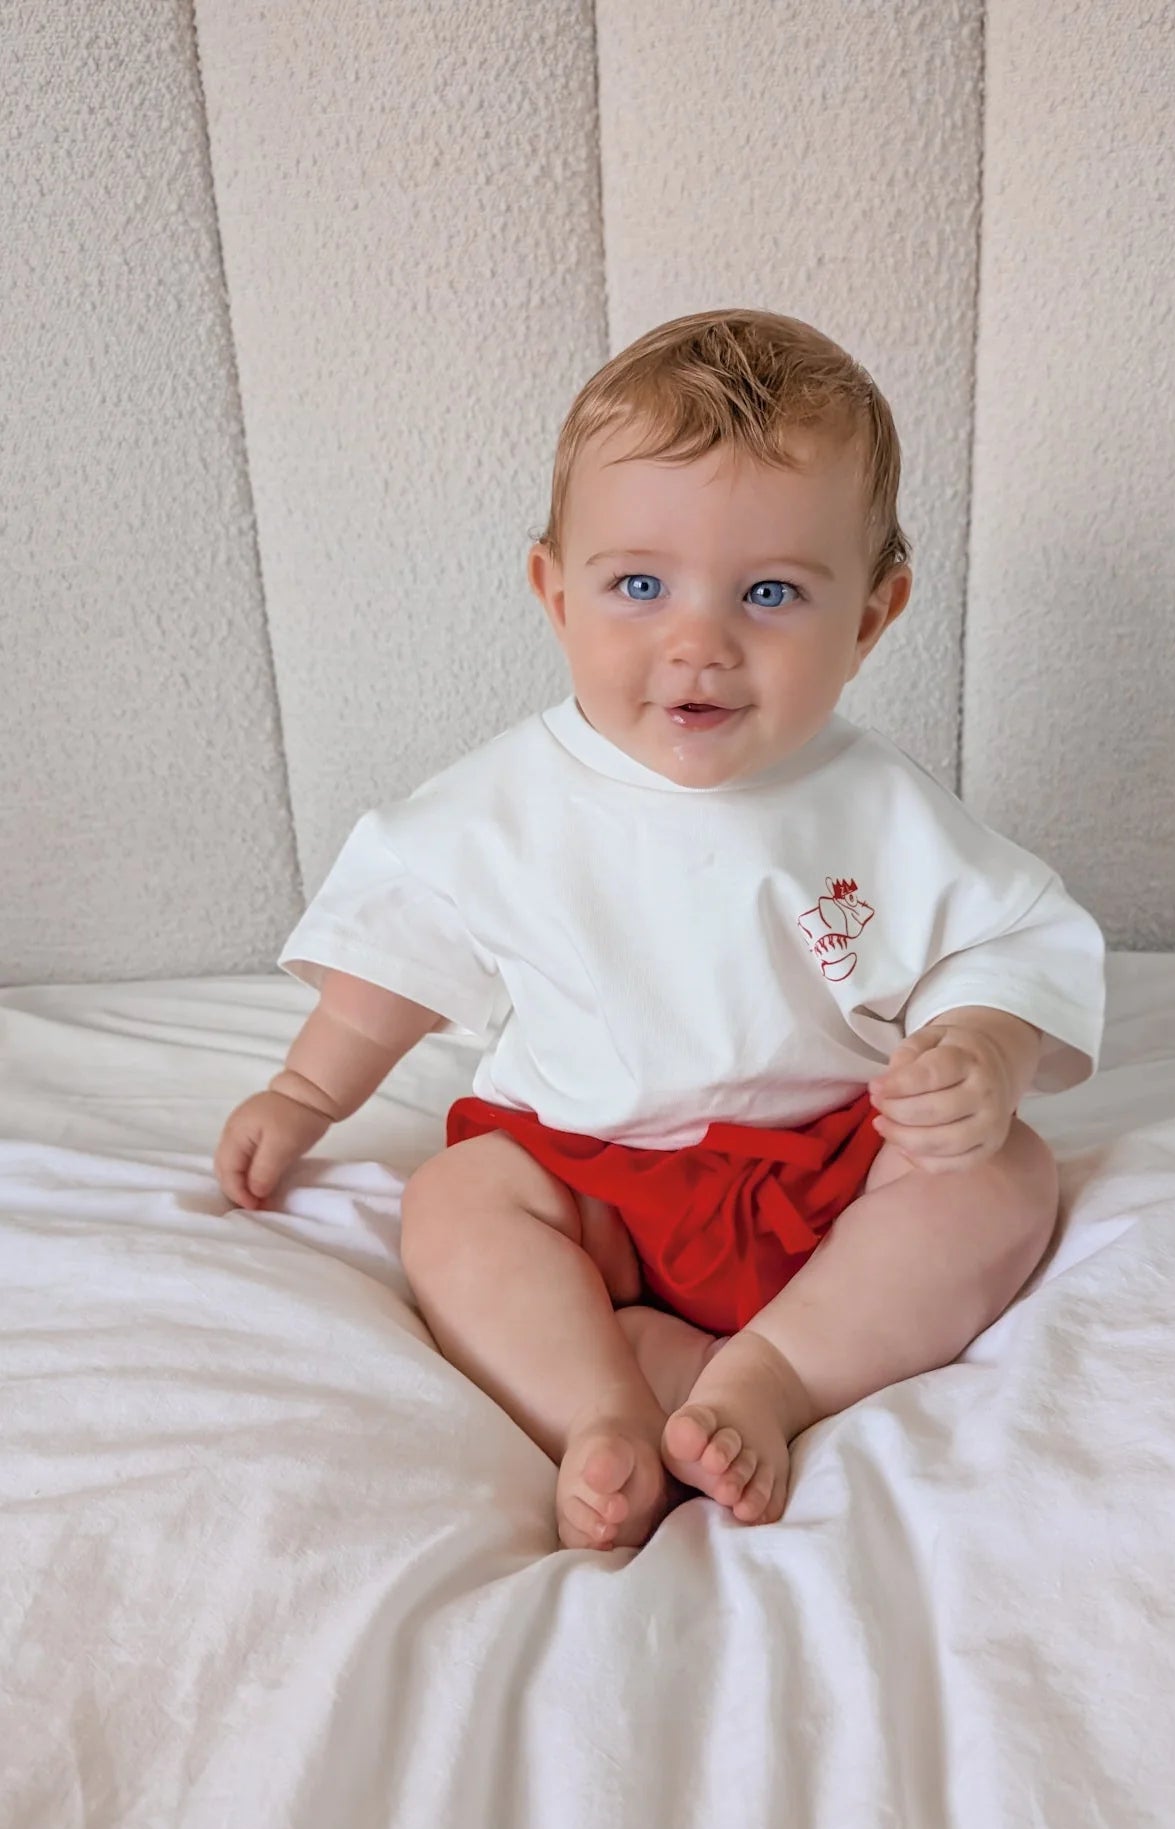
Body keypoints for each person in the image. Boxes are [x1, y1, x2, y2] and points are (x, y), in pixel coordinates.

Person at [214, 308, 1106, 1554]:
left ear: (869, 617)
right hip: (592, 1183)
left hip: (829, 1174)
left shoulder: (878, 805)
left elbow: (1008, 939)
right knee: (457, 1203)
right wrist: (307, 1091)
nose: (699, 643)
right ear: (554, 592)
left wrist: (985, 1049)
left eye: (770, 593)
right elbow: (394, 957)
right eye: (639, 585)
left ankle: (774, 1375)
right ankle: (603, 1406)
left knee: (1000, 1174)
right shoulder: (501, 805)